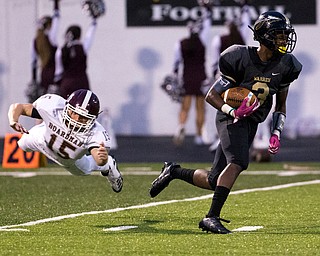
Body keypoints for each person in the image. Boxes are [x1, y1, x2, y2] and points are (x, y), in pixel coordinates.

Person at [149, 10, 302, 234]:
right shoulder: (239, 58)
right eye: (279, 35)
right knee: (239, 162)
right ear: (265, 35)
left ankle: (173, 171)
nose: (284, 40)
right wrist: (233, 110)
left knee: (214, 180)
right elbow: (212, 94)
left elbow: (280, 106)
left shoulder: (287, 65)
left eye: (285, 35)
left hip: (252, 121)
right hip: (230, 116)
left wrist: (276, 133)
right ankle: (211, 217)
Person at [8, 89, 123, 193]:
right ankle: (44, 127)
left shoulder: (96, 133)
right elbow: (19, 107)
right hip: (42, 140)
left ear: (92, 119)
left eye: (83, 117)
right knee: (22, 144)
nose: (76, 119)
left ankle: (109, 165)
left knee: (84, 170)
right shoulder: (53, 106)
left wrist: (102, 160)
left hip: (69, 160)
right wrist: (13, 120)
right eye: (74, 113)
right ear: (66, 107)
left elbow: (98, 159)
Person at [207, 2, 251, 152]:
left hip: (225, 79)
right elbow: (247, 22)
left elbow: (214, 62)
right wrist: (245, 6)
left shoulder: (219, 40)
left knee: (222, 109)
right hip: (241, 78)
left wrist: (215, 78)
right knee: (244, 106)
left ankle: (219, 139)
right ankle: (253, 139)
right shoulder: (242, 36)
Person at [172, 5, 212, 146]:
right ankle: (199, 135)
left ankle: (181, 126)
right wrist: (207, 9)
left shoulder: (180, 44)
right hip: (201, 77)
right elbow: (207, 25)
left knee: (185, 106)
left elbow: (176, 64)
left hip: (187, 77)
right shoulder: (202, 41)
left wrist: (176, 78)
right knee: (200, 108)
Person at [54, 17, 98, 99]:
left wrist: (57, 85)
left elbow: (58, 72)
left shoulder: (61, 50)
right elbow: (89, 37)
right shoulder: (82, 47)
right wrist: (94, 21)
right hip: (82, 84)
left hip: (66, 84)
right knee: (84, 108)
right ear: (79, 36)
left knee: (67, 109)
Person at [27, 0, 60, 102]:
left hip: (43, 75)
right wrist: (56, 4)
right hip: (55, 74)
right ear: (48, 26)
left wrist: (34, 80)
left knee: (45, 103)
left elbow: (33, 62)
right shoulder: (51, 38)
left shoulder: (35, 41)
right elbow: (57, 20)